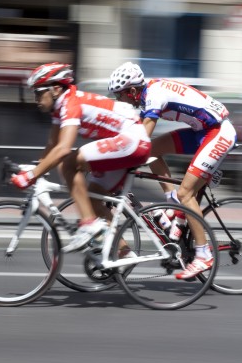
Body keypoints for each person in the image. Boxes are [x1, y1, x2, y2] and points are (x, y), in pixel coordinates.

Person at [108, 62, 236, 279]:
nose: (120, 101)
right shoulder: (148, 94)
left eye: (120, 96)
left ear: (131, 91)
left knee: (186, 192)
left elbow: (141, 139)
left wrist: (115, 162)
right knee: (154, 151)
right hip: (201, 131)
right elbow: (133, 133)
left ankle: (203, 255)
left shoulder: (154, 96)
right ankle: (172, 203)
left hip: (218, 132)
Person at [9, 62, 152, 253]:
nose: (35, 98)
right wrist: (34, 168)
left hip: (133, 140)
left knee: (68, 163)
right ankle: (123, 254)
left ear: (56, 89)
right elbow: (52, 144)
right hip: (126, 142)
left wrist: (30, 177)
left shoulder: (71, 103)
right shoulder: (60, 108)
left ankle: (89, 225)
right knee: (92, 198)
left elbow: (62, 149)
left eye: (38, 92)